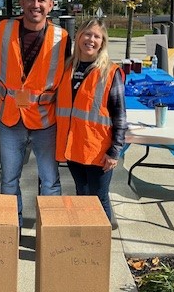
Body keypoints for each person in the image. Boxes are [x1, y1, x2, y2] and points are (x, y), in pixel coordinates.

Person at [0, 0, 71, 227]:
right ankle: (10, 228)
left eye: (41, 0)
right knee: (8, 179)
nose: (35, 5)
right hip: (10, 118)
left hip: (45, 121)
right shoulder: (3, 28)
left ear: (51, 5)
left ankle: (49, 230)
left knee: (50, 179)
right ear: (21, 2)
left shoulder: (62, 37)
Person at [55, 18, 127, 222]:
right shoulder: (68, 68)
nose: (91, 39)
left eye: (97, 36)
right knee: (82, 193)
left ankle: (101, 241)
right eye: (87, 34)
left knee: (98, 196)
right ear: (78, 37)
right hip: (74, 148)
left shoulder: (110, 72)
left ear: (102, 42)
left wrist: (114, 151)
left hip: (98, 150)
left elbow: (120, 115)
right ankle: (87, 237)